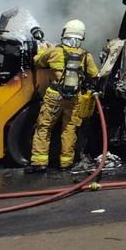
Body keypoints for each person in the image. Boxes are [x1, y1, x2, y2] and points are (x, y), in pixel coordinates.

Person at [26, 20, 99, 173]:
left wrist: (42, 50)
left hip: (54, 95)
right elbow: (94, 74)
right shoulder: (85, 55)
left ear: (65, 33)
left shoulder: (55, 51)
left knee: (44, 127)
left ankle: (39, 162)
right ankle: (66, 163)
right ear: (81, 37)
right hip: (74, 97)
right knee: (69, 128)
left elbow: (37, 62)